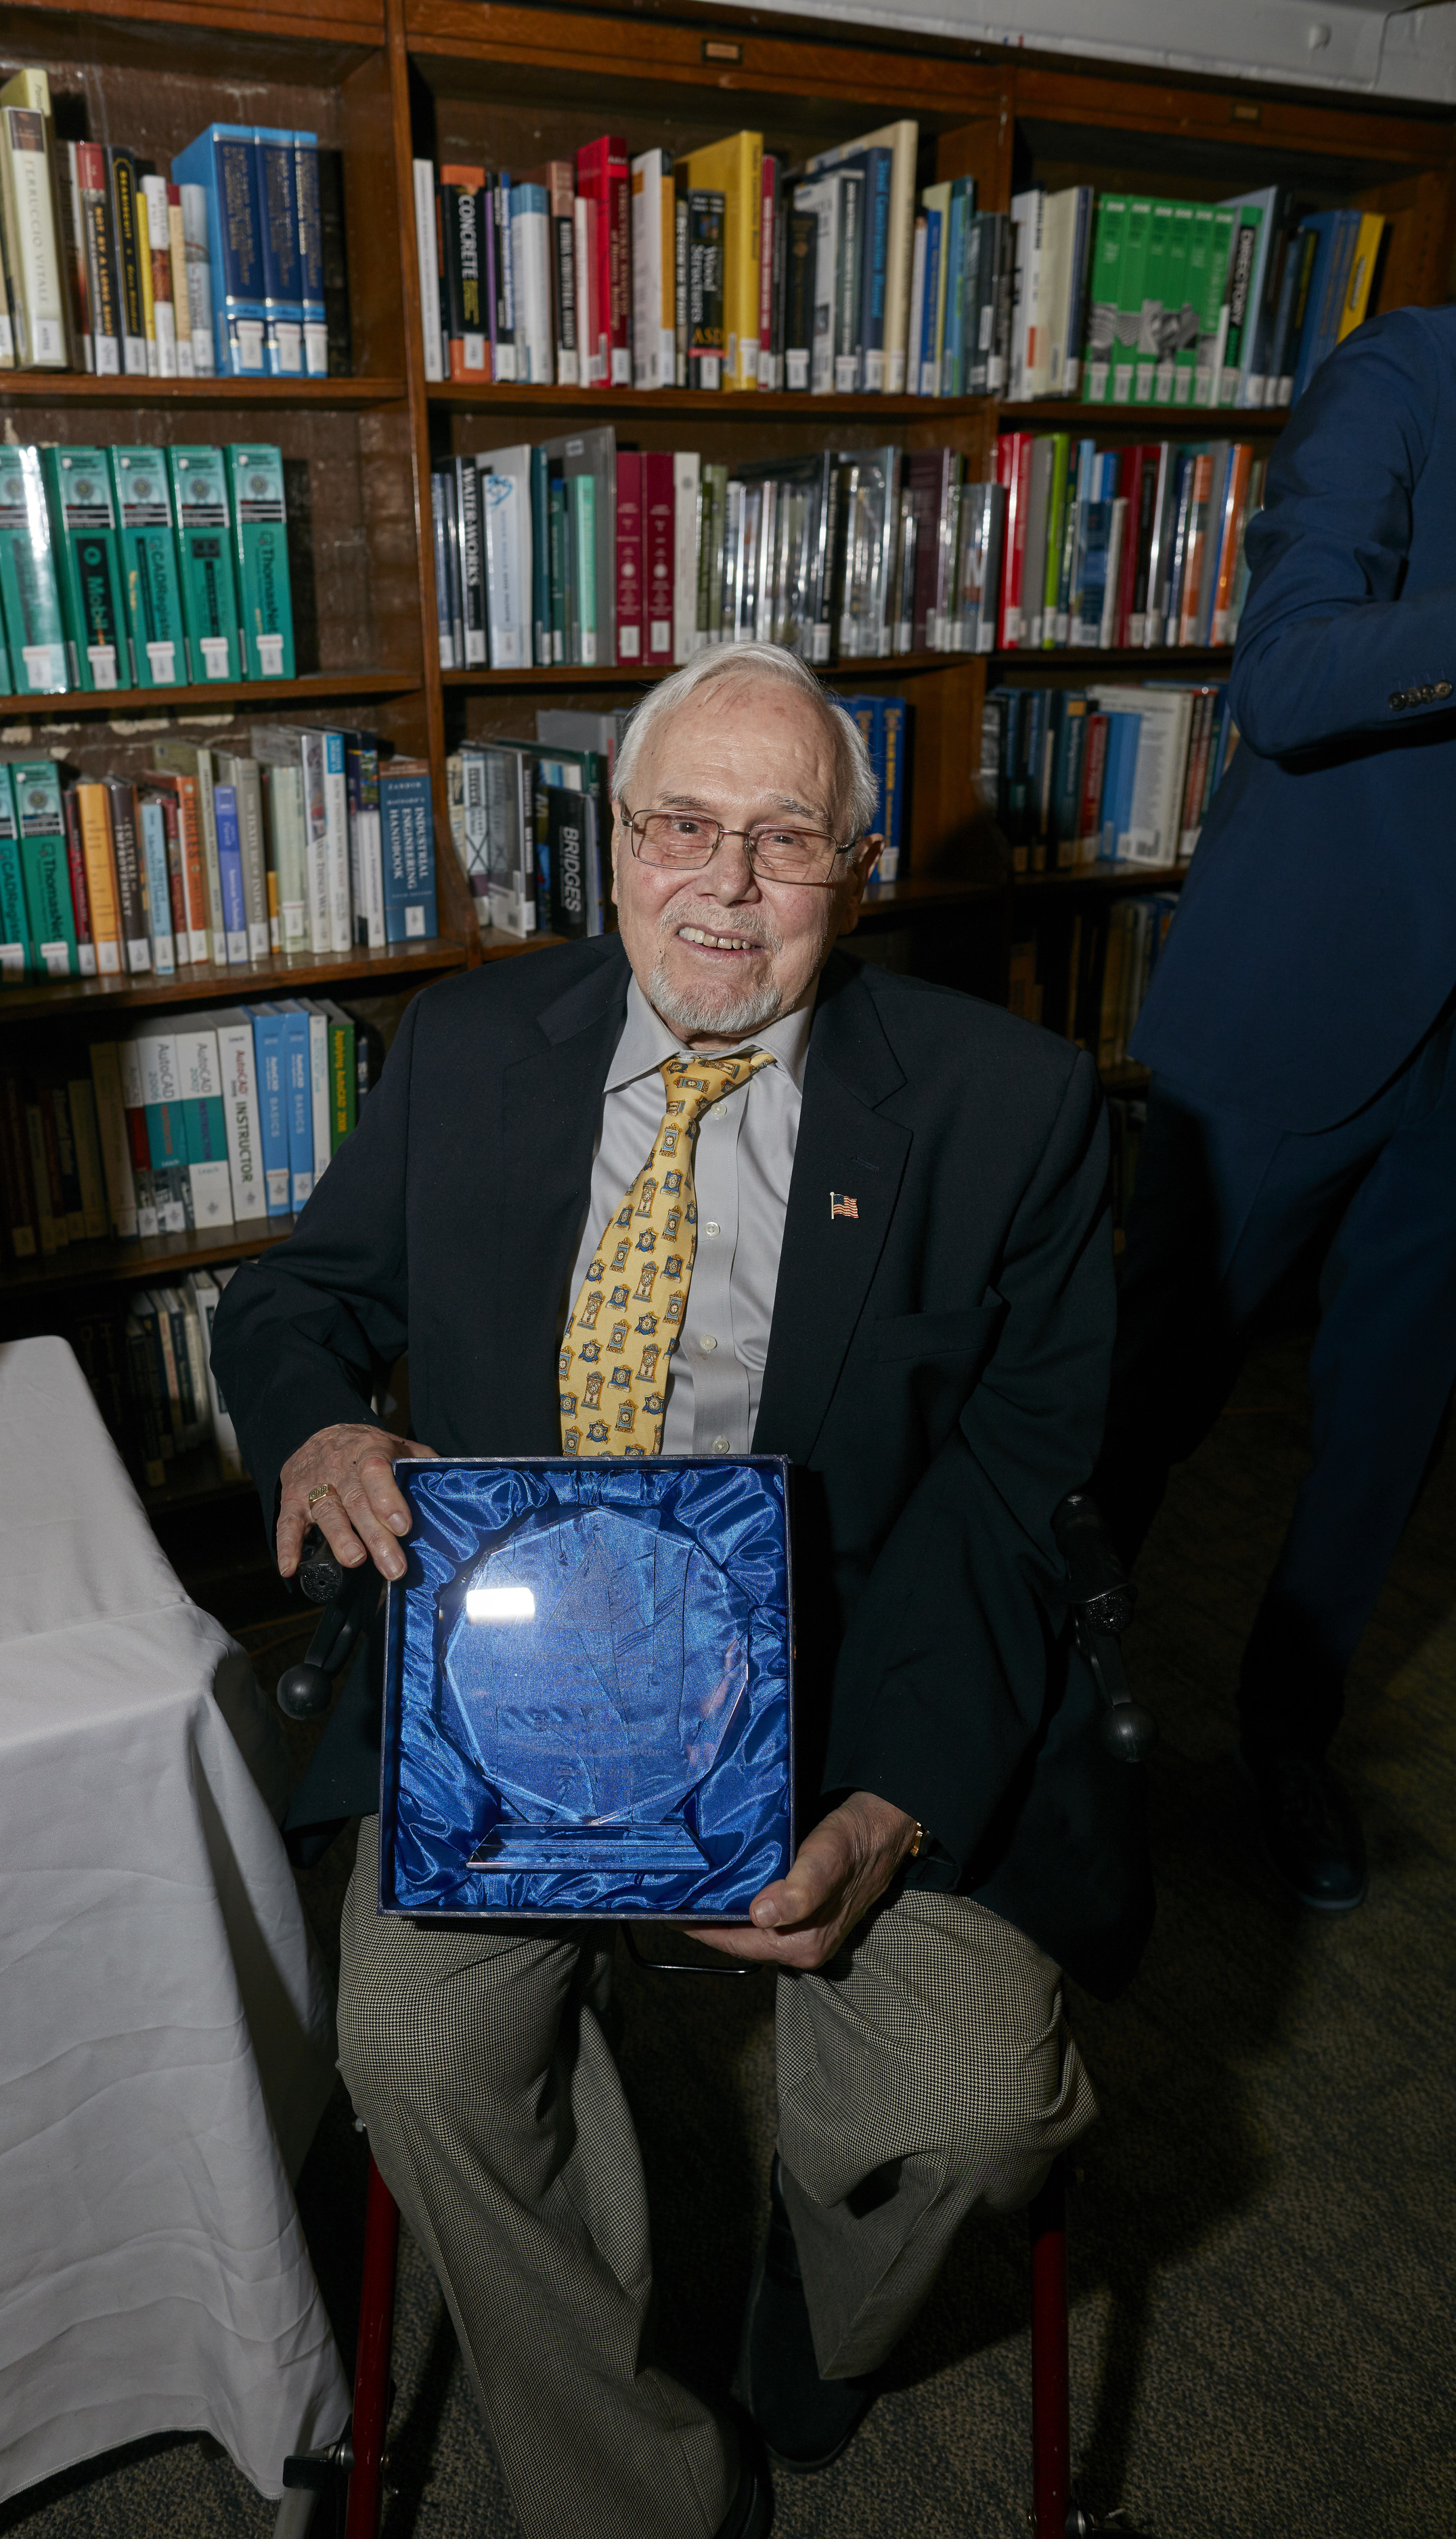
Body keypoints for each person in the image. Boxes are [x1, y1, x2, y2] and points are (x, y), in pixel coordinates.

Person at [212, 644, 1150, 2539]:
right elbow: (293, 1303)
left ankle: (821, 2292)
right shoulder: (473, 1051)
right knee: (406, 2042)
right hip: (514, 1698)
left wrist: (884, 1803)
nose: (722, 882)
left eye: (782, 836)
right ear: (611, 845)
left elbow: (1007, 1497)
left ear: (856, 872)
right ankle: (634, 2480)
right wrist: (316, 1430)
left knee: (979, 2110)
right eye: (680, 825)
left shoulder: (1012, 1108)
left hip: (850, 1683)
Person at [1093, 304, 1456, 1917]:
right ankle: (1037, 1736)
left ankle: (1281, 1739)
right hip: (1304, 997)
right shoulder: (1403, 373)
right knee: (1139, 1411)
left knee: (1384, 1435)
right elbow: (1289, 679)